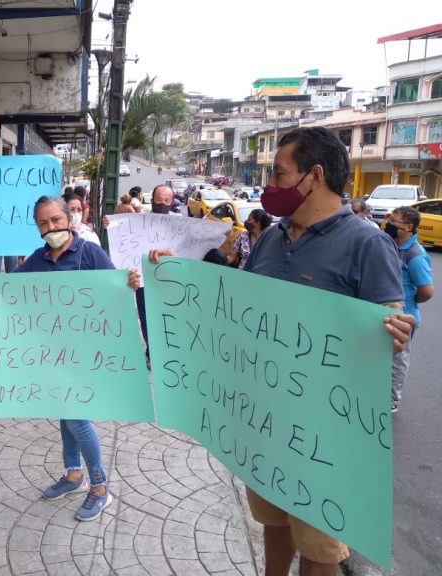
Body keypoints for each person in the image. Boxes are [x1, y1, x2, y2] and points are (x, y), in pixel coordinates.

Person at [144, 126, 413, 576]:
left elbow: (390, 325)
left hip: (324, 431)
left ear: (315, 176)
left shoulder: (367, 244)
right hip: (266, 418)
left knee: (319, 542)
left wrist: (395, 330)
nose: (270, 185)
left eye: (278, 173)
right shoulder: (271, 238)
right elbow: (235, 305)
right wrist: (173, 274)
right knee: (272, 517)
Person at [12, 196, 117, 521]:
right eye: (43, 223)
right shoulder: (37, 259)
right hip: (52, 352)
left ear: (69, 217)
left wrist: (130, 283)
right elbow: (6, 288)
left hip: (85, 353)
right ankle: (74, 475)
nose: (51, 228)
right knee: (63, 412)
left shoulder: (88, 252)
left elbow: (115, 289)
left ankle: (100, 487)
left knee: (76, 418)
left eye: (56, 220)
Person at [385, 206, 433, 413]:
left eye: (393, 221)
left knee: (398, 360)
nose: (388, 223)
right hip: (387, 312)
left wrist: (408, 301)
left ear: (408, 227)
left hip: (405, 317)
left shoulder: (415, 254)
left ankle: (391, 400)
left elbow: (427, 291)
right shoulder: (392, 244)